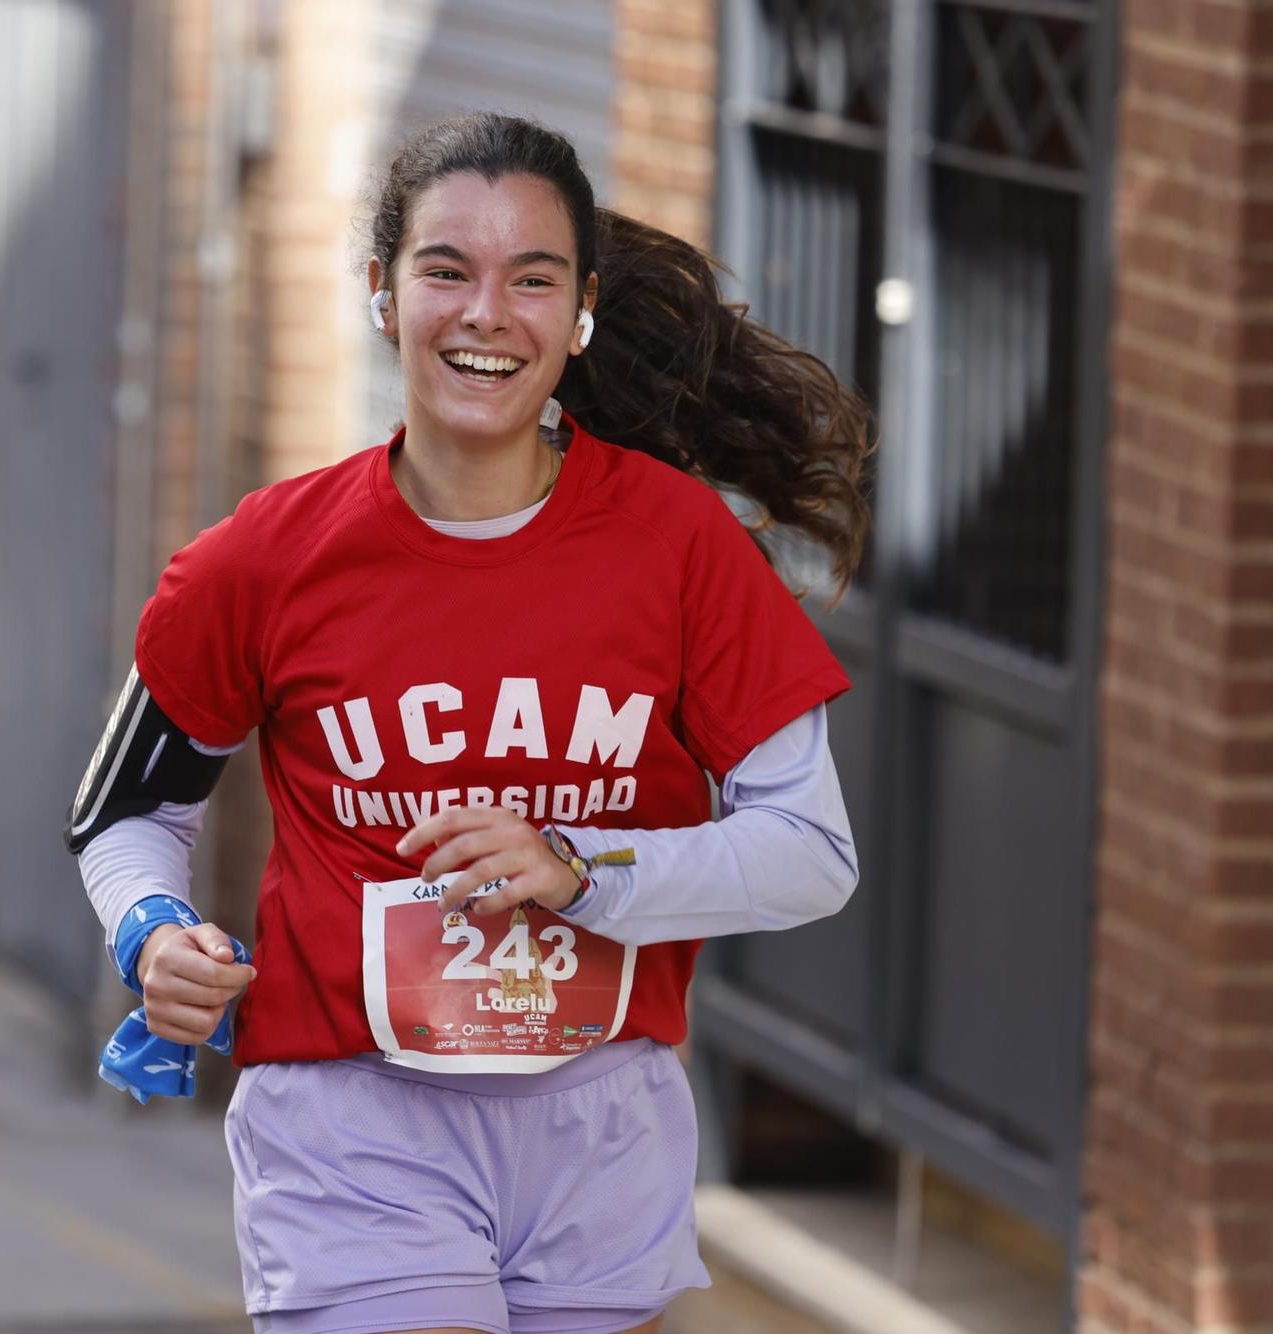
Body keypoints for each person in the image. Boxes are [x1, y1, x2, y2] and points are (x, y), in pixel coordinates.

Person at [66, 112, 874, 1334]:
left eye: (530, 278)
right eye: (444, 269)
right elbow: (127, 808)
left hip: (601, 1121)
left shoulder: (679, 548)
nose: (484, 313)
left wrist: (578, 866)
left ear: (580, 309)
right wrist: (153, 929)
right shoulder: (263, 560)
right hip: (351, 1120)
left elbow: (809, 851)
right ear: (385, 296)